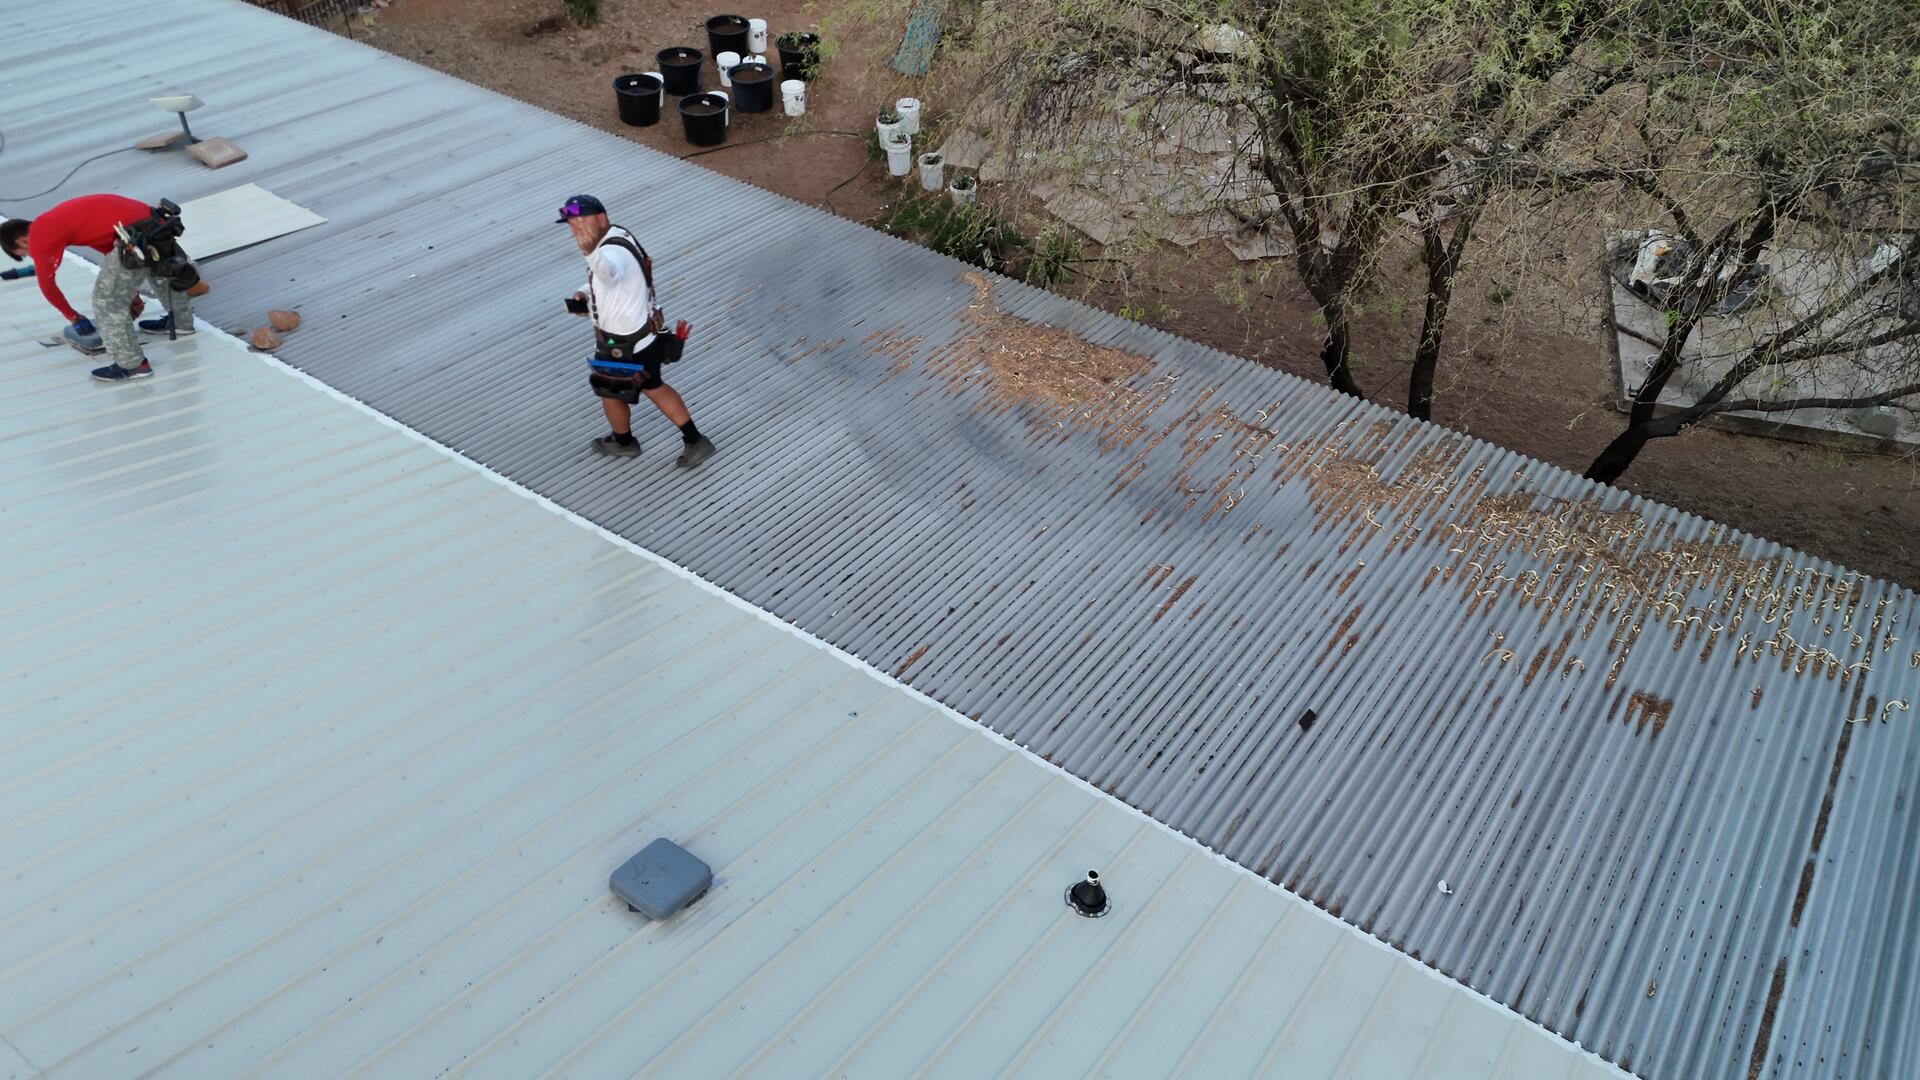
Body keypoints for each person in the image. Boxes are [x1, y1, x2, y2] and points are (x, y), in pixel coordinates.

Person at [558, 194, 715, 467]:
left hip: (622, 345)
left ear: (601, 218)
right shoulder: (618, 236)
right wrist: (585, 295)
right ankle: (694, 439)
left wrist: (589, 253)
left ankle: (623, 443)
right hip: (646, 337)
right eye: (572, 224)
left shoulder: (607, 252)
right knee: (654, 386)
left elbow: (609, 273)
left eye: (581, 222)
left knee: (609, 392)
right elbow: (610, 282)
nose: (576, 229)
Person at [0, 194, 197, 383]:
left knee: (107, 303)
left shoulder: (40, 238)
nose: (32, 255)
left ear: (22, 241)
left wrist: (73, 317)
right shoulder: (54, 222)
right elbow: (109, 251)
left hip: (134, 236)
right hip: (153, 223)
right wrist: (131, 294)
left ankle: (133, 366)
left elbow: (47, 286)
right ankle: (181, 323)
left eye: (25, 253)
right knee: (160, 270)